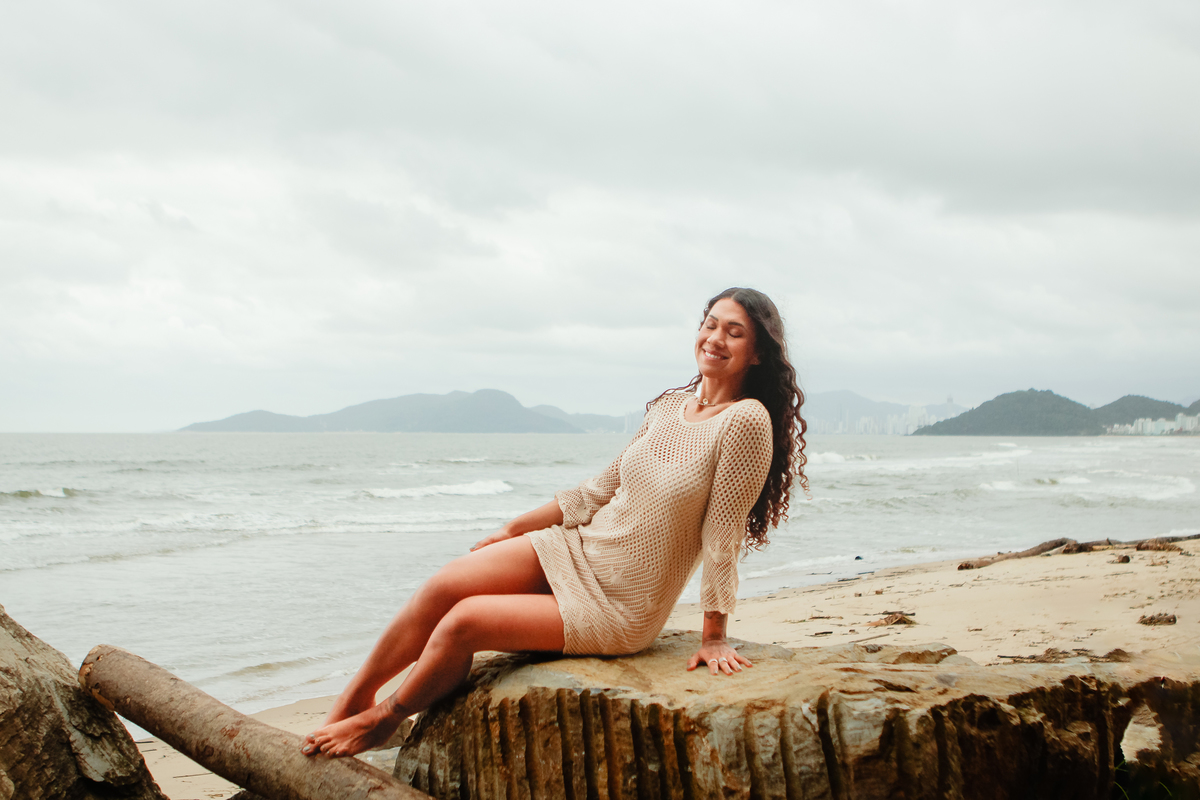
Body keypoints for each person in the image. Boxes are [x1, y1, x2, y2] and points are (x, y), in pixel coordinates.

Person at [302, 287, 808, 758]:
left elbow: (722, 536)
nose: (715, 338)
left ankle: (385, 718)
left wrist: (714, 634)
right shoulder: (669, 406)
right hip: (578, 547)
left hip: (620, 605)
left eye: (734, 332)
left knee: (462, 622)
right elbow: (598, 490)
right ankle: (354, 699)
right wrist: (513, 529)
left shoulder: (745, 420)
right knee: (443, 586)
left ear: (757, 354)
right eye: (710, 324)